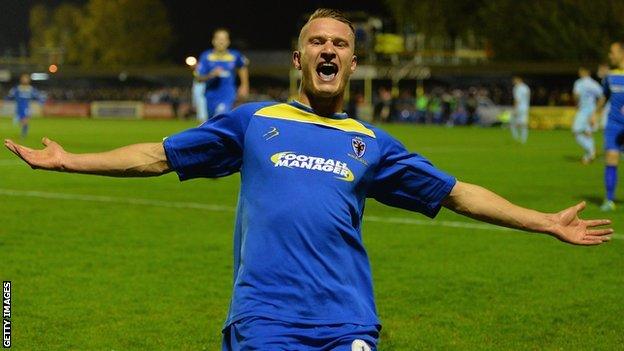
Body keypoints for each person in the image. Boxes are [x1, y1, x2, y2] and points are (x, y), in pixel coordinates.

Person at [4, 9, 613, 350]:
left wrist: (544, 222)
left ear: (351, 61)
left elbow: (455, 193)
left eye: (340, 44)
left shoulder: (372, 143)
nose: (328, 49)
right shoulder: (253, 121)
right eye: (316, 41)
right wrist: (70, 161)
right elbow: (158, 155)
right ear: (298, 59)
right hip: (263, 320)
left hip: (347, 322)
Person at [195, 28, 249, 119]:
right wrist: (211, 75)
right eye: (219, 39)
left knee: (221, 116)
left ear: (228, 42)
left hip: (228, 94)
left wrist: (244, 85)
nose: (221, 42)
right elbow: (199, 78)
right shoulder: (206, 56)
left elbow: (242, 67)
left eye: (224, 39)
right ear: (213, 41)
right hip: (210, 95)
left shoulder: (235, 55)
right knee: (212, 122)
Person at [597, 40, 624, 211]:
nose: (609, 55)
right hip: (614, 125)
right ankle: (609, 199)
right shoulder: (609, 76)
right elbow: (603, 97)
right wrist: (595, 113)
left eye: (612, 52)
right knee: (611, 159)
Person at [572, 67, 603, 164]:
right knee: (588, 133)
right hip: (592, 111)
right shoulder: (594, 84)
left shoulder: (579, 83)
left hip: (583, 110)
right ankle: (589, 155)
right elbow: (602, 97)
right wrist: (597, 110)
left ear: (584, 72)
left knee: (576, 132)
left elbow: (576, 95)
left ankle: (590, 151)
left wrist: (577, 103)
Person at [5, 73, 45, 139]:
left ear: (28, 80)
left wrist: (41, 103)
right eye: (23, 78)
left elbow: (38, 96)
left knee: (25, 120)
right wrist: (4, 100)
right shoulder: (17, 88)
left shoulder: (31, 89)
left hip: (26, 107)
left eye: (26, 78)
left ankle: (23, 134)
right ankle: (20, 127)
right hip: (18, 107)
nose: (25, 80)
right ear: (21, 79)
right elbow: (10, 95)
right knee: (22, 121)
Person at [511, 75, 531, 143]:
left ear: (518, 79)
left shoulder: (517, 88)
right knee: (524, 124)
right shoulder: (526, 87)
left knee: (512, 123)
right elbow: (528, 97)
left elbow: (517, 100)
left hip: (519, 107)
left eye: (514, 80)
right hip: (525, 107)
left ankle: (515, 139)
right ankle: (523, 140)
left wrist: (515, 109)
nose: (513, 81)